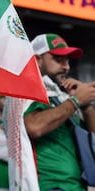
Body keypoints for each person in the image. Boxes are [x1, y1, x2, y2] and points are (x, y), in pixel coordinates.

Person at [24, 33, 95, 191]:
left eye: (67, 60)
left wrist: (86, 105)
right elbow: (34, 127)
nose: (66, 67)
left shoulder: (62, 97)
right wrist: (75, 101)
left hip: (78, 185)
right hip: (48, 185)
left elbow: (93, 139)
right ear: (37, 59)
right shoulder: (25, 89)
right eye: (58, 59)